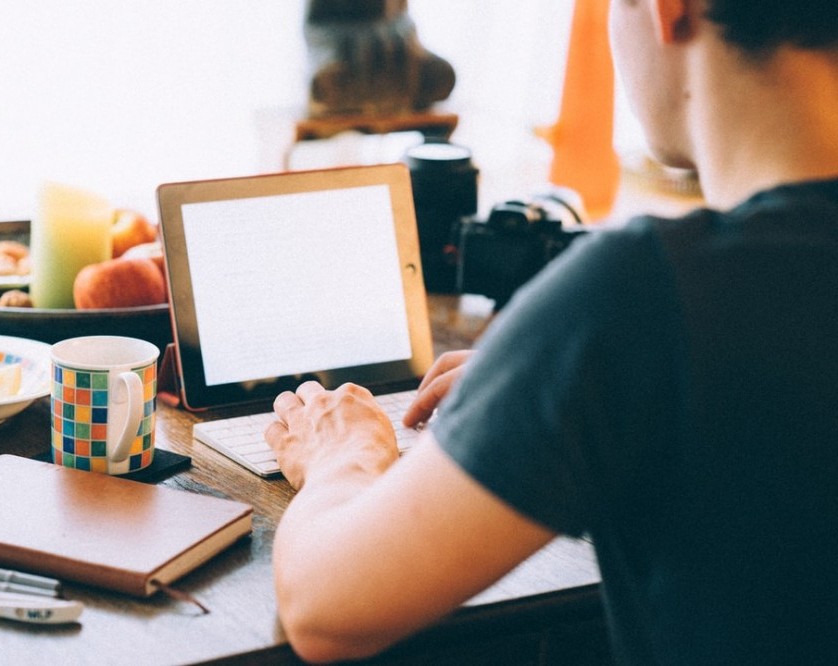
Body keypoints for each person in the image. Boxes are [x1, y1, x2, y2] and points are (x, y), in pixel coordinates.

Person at [264, 0, 838, 662]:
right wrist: (544, 377)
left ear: (666, 10)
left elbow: (325, 609)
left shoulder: (642, 296)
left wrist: (345, 455)